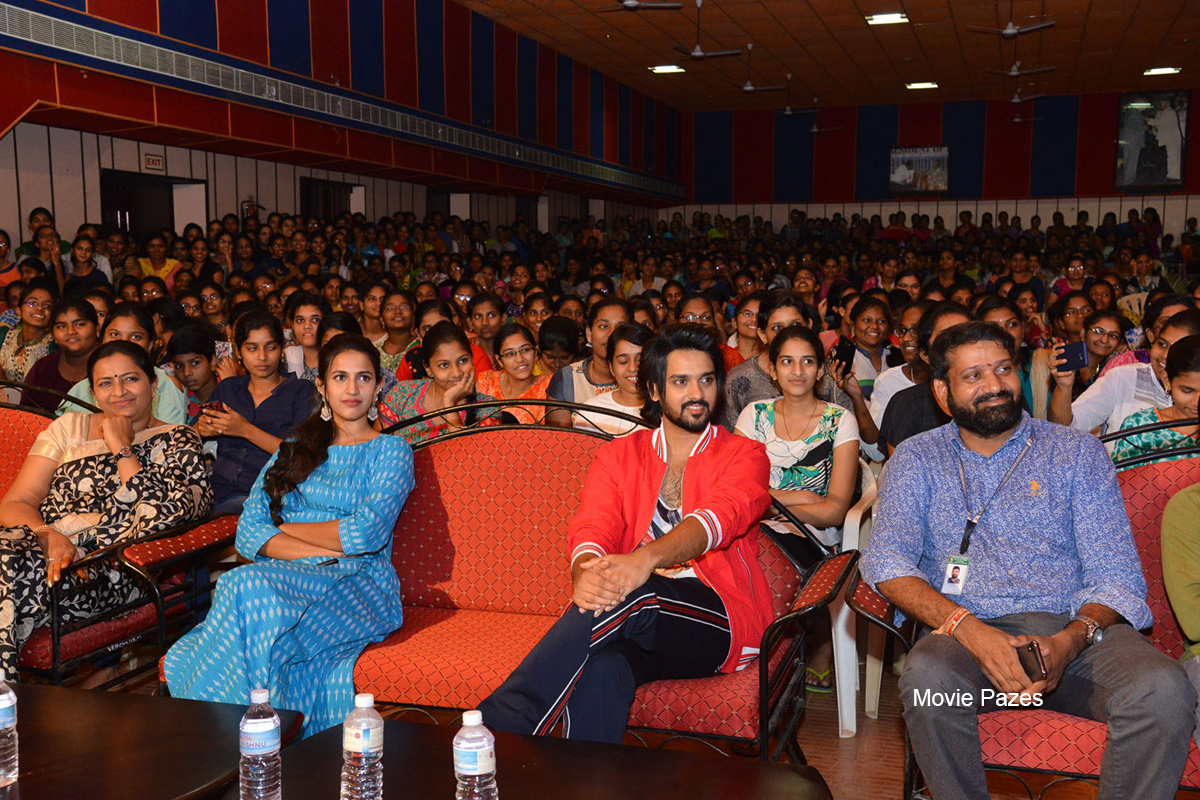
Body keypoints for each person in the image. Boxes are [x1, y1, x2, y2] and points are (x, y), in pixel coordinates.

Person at [861, 320, 1193, 800]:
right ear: (942, 391)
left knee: (1163, 691)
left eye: (1003, 369)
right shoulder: (917, 459)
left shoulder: (1076, 452)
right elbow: (887, 561)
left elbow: (1117, 573)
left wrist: (1069, 641)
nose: (994, 385)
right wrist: (971, 632)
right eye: (973, 375)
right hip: (964, 639)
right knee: (929, 684)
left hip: (1075, 635)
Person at [478, 324, 772, 743]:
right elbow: (594, 523)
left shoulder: (745, 455)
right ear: (654, 390)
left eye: (706, 380)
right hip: (634, 620)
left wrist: (644, 560)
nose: (697, 393)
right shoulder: (620, 455)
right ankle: (586, 776)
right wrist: (585, 571)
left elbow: (719, 519)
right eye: (680, 382)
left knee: (638, 593)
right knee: (603, 668)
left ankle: (498, 729)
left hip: (718, 617)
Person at [165, 335, 414, 737]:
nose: (352, 389)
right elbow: (248, 531)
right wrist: (321, 555)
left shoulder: (391, 450)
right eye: (340, 377)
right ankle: (252, 741)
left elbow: (366, 534)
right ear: (321, 386)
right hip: (293, 580)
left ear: (379, 386)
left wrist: (282, 530)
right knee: (247, 596)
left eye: (364, 378)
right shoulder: (296, 449)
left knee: (244, 590)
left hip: (360, 586)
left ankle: (220, 739)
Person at [0, 340, 211, 680]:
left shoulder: (179, 439)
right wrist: (47, 535)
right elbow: (16, 502)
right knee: (8, 558)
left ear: (153, 385)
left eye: (130, 379)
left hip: (112, 569)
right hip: (41, 551)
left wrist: (121, 447)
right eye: (106, 383)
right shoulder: (68, 428)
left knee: (7, 563)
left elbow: (162, 516)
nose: (119, 391)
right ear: (94, 392)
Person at [1049, 309, 1200, 434]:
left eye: (1178, 349)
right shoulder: (1122, 378)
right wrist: (1064, 387)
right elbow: (1064, 429)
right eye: (1162, 344)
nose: (1166, 355)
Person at [59, 302, 189, 424]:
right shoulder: (81, 391)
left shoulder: (166, 386)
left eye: (136, 337)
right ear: (101, 337)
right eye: (115, 334)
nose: (124, 342)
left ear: (150, 344)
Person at [377, 321, 500, 444]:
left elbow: (465, 454)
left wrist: (450, 404)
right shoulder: (402, 394)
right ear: (428, 368)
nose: (456, 373)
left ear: (472, 359)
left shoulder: (486, 408)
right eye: (444, 365)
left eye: (463, 360)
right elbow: (377, 448)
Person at [878, 302, 971, 454]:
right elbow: (899, 465)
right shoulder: (906, 404)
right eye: (945, 339)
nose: (958, 347)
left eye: (966, 337)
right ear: (925, 355)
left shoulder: (997, 393)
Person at [1110, 334, 1200, 469]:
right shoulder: (1141, 426)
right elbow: (1123, 479)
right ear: (1167, 381)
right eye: (1187, 391)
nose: (1196, 402)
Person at [545, 298, 630, 427]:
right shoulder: (568, 378)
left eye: (621, 328)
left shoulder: (641, 378)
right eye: (603, 326)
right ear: (589, 333)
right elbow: (559, 437)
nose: (612, 334)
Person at [572, 322, 653, 437]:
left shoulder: (668, 410)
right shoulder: (591, 413)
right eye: (623, 361)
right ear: (611, 367)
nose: (633, 368)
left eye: (640, 360)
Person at [20, 298, 100, 410]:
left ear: (97, 328)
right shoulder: (43, 368)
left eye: (80, 324)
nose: (71, 331)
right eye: (61, 326)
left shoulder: (112, 365)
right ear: (53, 334)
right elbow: (26, 412)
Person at [476, 323, 551, 425]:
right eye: (510, 354)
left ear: (535, 352)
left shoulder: (549, 387)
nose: (520, 359)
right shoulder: (487, 382)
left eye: (525, 350)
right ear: (499, 360)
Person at [0, 283, 55, 382]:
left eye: (47, 305)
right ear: (19, 310)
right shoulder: (3, 335)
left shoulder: (54, 345)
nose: (40, 308)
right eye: (32, 303)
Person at [165, 323, 218, 423]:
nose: (187, 373)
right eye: (179, 366)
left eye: (195, 363)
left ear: (212, 362)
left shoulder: (229, 393)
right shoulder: (177, 399)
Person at [282, 291, 329, 381]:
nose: (307, 326)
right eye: (300, 320)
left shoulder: (337, 358)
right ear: (292, 325)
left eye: (315, 320)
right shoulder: (287, 358)